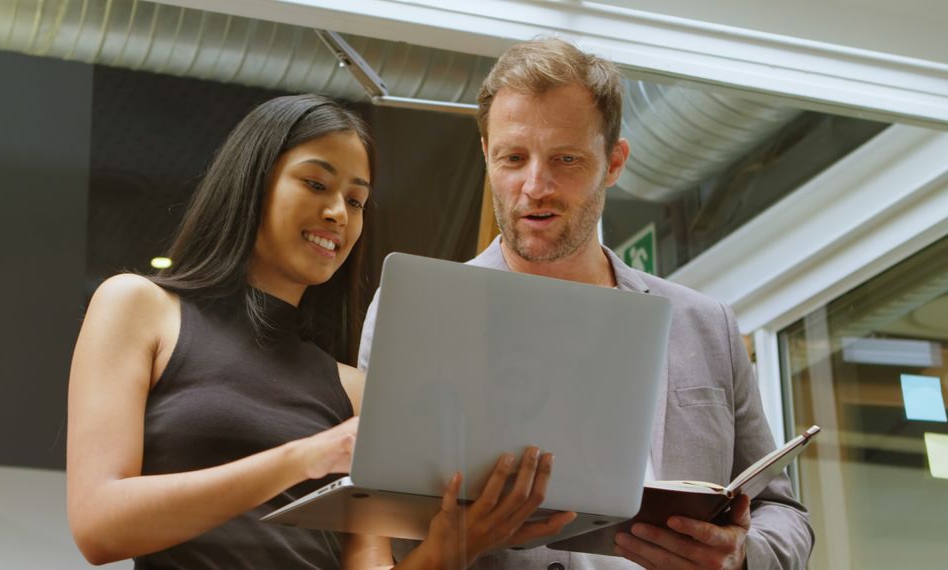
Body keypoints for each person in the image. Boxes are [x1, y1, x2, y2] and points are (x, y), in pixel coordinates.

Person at [356, 39, 815, 570]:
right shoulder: (419, 315)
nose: (534, 186)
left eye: (565, 159)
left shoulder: (705, 325)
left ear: (614, 161)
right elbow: (371, 522)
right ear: (486, 156)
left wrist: (741, 554)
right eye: (513, 158)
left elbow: (782, 509)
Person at [66, 93, 574, 569]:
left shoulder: (354, 390)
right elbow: (99, 524)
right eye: (315, 184)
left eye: (356, 201)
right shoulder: (139, 307)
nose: (337, 213)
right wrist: (306, 457)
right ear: (252, 181)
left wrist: (453, 545)